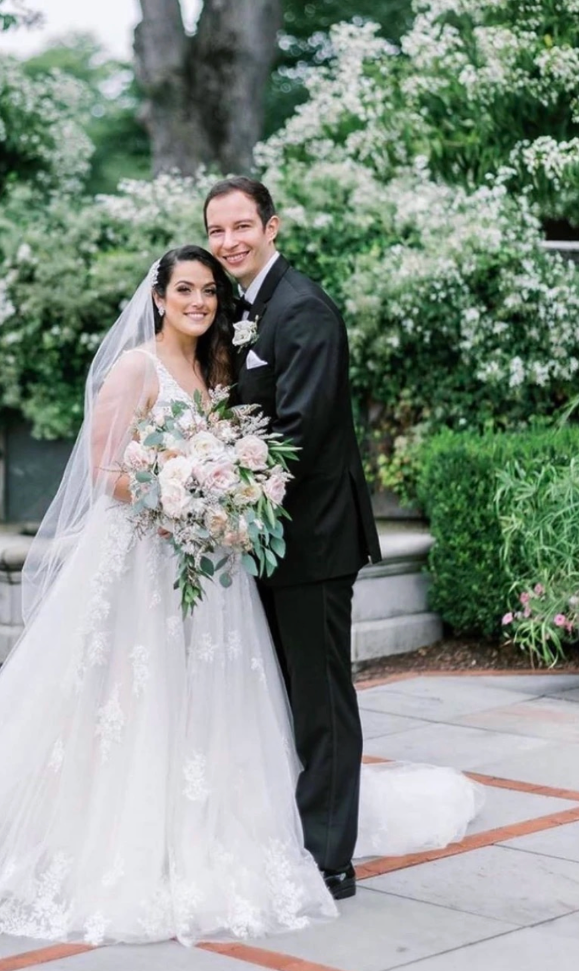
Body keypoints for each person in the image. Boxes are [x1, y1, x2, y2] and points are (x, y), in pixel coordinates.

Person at [0, 245, 481, 947]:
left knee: (209, 698)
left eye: (209, 291)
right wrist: (176, 492)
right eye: (185, 290)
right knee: (130, 698)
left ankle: (223, 823)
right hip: (141, 561)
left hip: (207, 566)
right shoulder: (135, 369)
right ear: (158, 298)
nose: (198, 301)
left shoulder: (217, 368)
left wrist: (216, 497)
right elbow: (104, 473)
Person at [204, 177, 381, 899]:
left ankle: (330, 858)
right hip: (264, 539)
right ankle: (292, 830)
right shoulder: (245, 308)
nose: (229, 242)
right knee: (280, 694)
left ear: (271, 227)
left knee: (320, 702)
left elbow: (300, 433)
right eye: (217, 231)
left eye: (241, 226)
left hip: (313, 541)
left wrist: (219, 481)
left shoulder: (304, 310)